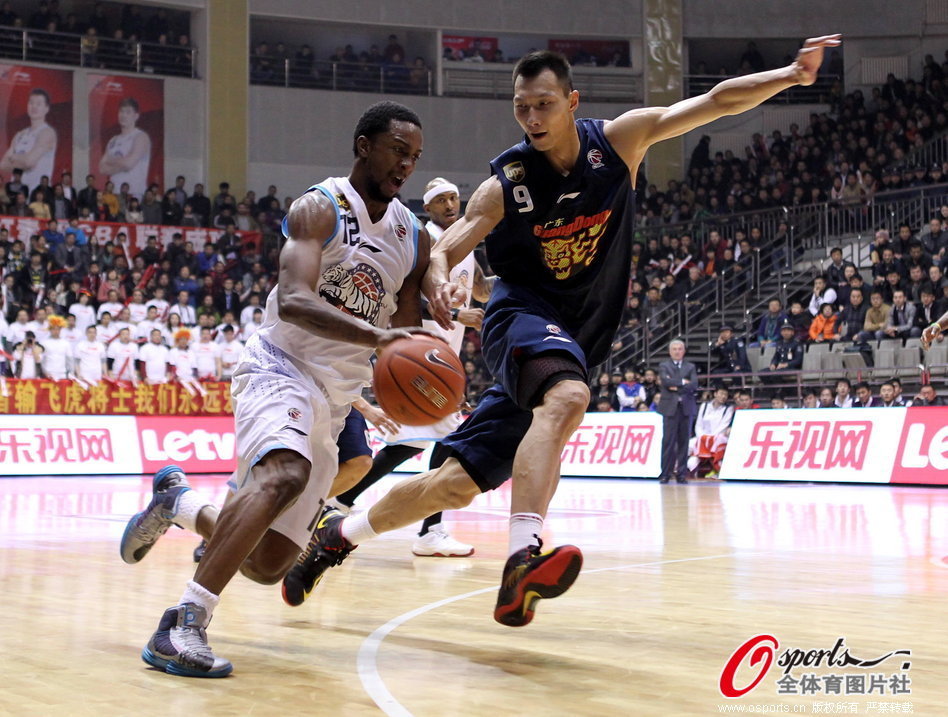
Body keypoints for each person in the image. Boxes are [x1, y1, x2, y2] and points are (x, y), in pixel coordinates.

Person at [265, 38, 843, 626]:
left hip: (577, 336)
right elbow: (448, 245)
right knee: (568, 396)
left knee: (452, 486)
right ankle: (521, 561)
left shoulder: (619, 143)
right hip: (520, 317)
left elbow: (714, 103)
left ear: (571, 101)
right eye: (522, 108)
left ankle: (339, 534)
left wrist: (792, 74)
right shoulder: (507, 181)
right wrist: (437, 274)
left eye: (543, 105)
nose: (533, 119)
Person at [120, 101, 429, 677]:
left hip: (335, 403)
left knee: (266, 564)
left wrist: (422, 358)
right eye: (396, 151)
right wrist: (378, 335)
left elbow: (405, 335)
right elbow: (294, 299)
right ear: (364, 145)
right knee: (281, 474)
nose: (405, 165)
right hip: (279, 367)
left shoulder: (414, 236)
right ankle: (182, 624)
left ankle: (179, 503)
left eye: (413, 156)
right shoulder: (320, 208)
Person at [306, 177, 493, 563]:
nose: (449, 204)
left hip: (442, 356)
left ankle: (343, 499)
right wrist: (458, 314)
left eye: (453, 197)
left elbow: (481, 291)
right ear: (427, 207)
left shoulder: (465, 245)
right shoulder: (425, 241)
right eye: (439, 200)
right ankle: (431, 530)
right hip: (415, 354)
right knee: (449, 437)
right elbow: (404, 300)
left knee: (410, 442)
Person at [657, 340, 699, 482]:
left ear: (684, 351)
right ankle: (665, 473)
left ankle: (681, 474)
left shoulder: (690, 366)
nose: (677, 351)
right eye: (674, 349)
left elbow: (694, 384)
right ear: (670, 351)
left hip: (686, 408)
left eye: (680, 349)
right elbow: (665, 382)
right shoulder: (664, 365)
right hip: (670, 408)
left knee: (684, 442)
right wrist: (682, 382)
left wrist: (675, 384)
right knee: (668, 441)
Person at [0, 88, 56, 192]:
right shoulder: (20, 135)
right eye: (31, 103)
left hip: (37, 194)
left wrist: (12, 157)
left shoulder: (47, 132)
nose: (34, 106)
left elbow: (29, 162)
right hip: (17, 194)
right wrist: (24, 161)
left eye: (38, 104)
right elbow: (3, 164)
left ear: (46, 108)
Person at [98, 97, 151, 200]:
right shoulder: (113, 140)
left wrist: (111, 160)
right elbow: (102, 168)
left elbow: (129, 164)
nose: (123, 115)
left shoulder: (140, 137)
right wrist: (123, 164)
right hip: (115, 193)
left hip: (134, 193)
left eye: (128, 112)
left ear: (136, 116)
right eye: (121, 111)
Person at [687, 385, 733, 478]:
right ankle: (679, 469)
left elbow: (723, 426)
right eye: (721, 393)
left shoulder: (728, 409)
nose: (723, 396)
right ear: (715, 394)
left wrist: (709, 438)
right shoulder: (704, 406)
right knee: (688, 445)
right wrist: (702, 437)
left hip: (718, 437)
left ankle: (717, 471)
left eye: (726, 395)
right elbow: (698, 424)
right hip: (702, 437)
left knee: (718, 443)